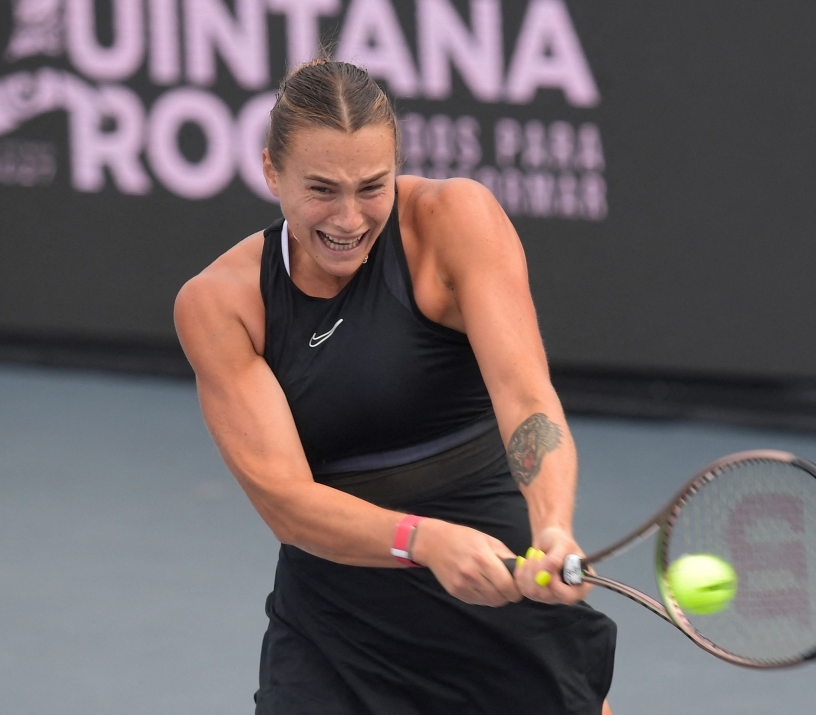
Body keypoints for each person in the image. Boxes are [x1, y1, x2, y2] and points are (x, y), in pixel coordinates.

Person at [175, 59, 616, 715]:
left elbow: (526, 400)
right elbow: (288, 505)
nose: (349, 218)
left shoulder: (454, 219)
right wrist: (425, 540)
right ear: (272, 171)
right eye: (322, 189)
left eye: (371, 187)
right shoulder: (223, 304)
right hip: (340, 629)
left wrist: (552, 522)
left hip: (498, 594)